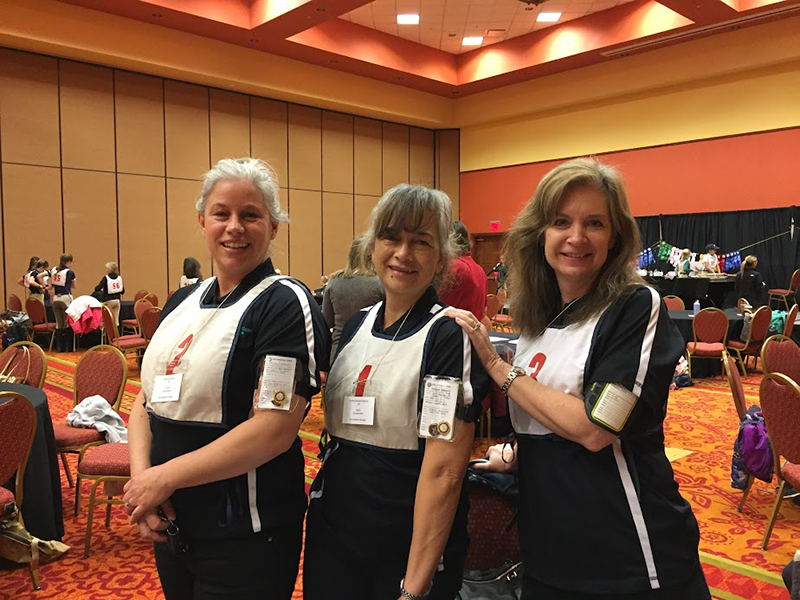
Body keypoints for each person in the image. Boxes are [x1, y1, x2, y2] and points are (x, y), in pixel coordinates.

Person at [446, 158, 710, 599]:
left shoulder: (633, 305)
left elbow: (595, 428)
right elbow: (543, 415)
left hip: (628, 553)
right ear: (540, 234)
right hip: (548, 548)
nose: (576, 237)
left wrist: (499, 368)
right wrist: (516, 450)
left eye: (594, 223)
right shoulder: (537, 319)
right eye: (560, 221)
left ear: (616, 237)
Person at [122, 158, 330, 599]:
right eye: (222, 213)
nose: (234, 226)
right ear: (202, 222)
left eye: (250, 215)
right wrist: (146, 484)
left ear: (273, 227)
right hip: (172, 519)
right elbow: (145, 401)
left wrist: (164, 478)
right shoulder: (182, 299)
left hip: (246, 534)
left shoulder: (282, 303)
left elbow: (273, 430)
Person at [304, 184, 491, 600]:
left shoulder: (448, 335)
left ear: (441, 258)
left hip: (404, 539)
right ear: (372, 248)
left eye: (420, 242)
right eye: (391, 237)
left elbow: (445, 470)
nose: (403, 253)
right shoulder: (356, 325)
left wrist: (415, 585)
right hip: (336, 530)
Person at [321, 236, 384, 360]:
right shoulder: (380, 283)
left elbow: (326, 321)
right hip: (370, 351)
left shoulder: (334, 281)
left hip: (339, 351)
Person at [440, 221, 487, 319]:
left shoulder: (454, 267)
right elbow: (484, 310)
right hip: (472, 330)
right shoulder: (480, 270)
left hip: (452, 330)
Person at [51, 253, 76, 352]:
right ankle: (67, 347)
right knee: (67, 322)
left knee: (59, 323)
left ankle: (58, 347)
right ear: (68, 262)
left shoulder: (54, 270)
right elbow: (74, 285)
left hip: (56, 298)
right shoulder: (69, 272)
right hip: (66, 297)